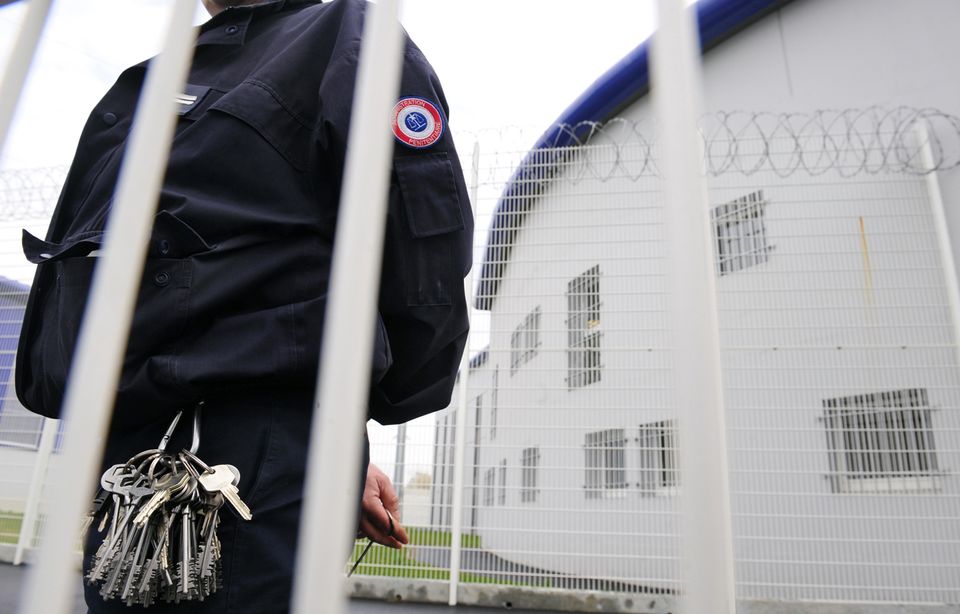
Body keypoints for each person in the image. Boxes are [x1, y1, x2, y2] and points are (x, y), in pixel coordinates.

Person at [14, 0, 472, 611]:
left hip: (246, 456)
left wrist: (334, 422)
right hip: (129, 450)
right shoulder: (152, 78)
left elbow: (421, 235)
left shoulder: (346, 31)